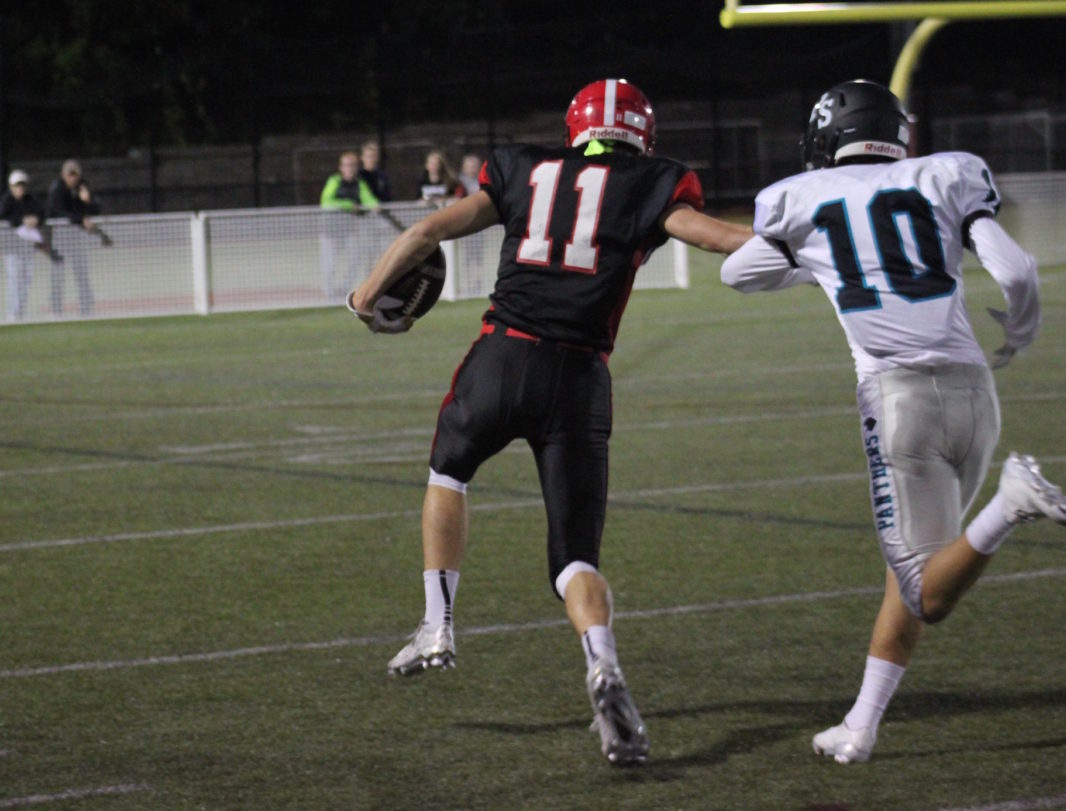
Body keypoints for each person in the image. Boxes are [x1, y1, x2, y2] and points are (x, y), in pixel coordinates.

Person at [348, 78, 752, 765]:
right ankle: (602, 663)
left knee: (449, 469)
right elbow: (716, 240)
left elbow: (422, 230)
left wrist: (362, 298)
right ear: (641, 135)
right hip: (581, 379)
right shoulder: (654, 182)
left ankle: (438, 624)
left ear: (576, 126)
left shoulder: (523, 168)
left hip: (504, 356)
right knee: (574, 559)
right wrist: (810, 249)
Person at [720, 79, 1066, 764]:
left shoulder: (800, 196)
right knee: (914, 570)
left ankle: (1013, 503)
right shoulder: (946, 174)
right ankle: (862, 722)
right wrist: (1021, 332)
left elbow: (738, 274)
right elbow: (1017, 269)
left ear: (827, 138)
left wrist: (813, 264)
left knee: (925, 586)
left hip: (899, 401)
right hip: (976, 393)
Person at [319, 151, 380, 299]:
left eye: (353, 165)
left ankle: (345, 287)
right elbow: (326, 202)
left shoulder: (360, 183)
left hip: (350, 231)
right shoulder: (334, 181)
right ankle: (329, 292)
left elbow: (369, 199)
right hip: (330, 231)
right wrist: (348, 205)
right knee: (330, 263)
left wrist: (375, 205)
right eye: (347, 165)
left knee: (356, 257)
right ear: (341, 167)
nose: (350, 168)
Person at [45, 159, 100, 316]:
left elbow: (96, 208)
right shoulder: (57, 189)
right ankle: (56, 311)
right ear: (63, 175)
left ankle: (86, 308)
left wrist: (87, 200)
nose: (73, 178)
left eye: (75, 175)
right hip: (60, 237)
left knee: (81, 273)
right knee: (57, 275)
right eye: (70, 175)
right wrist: (80, 219)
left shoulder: (83, 187)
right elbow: (59, 212)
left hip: (77, 237)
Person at [0, 170, 50, 321]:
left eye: (22, 185)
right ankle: (13, 312)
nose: (20, 188)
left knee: (26, 279)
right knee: (14, 279)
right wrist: (22, 220)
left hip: (28, 248)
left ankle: (21, 312)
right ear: (11, 186)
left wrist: (35, 220)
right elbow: (1, 215)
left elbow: (42, 213)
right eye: (17, 185)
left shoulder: (31, 200)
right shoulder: (6, 200)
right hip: (12, 247)